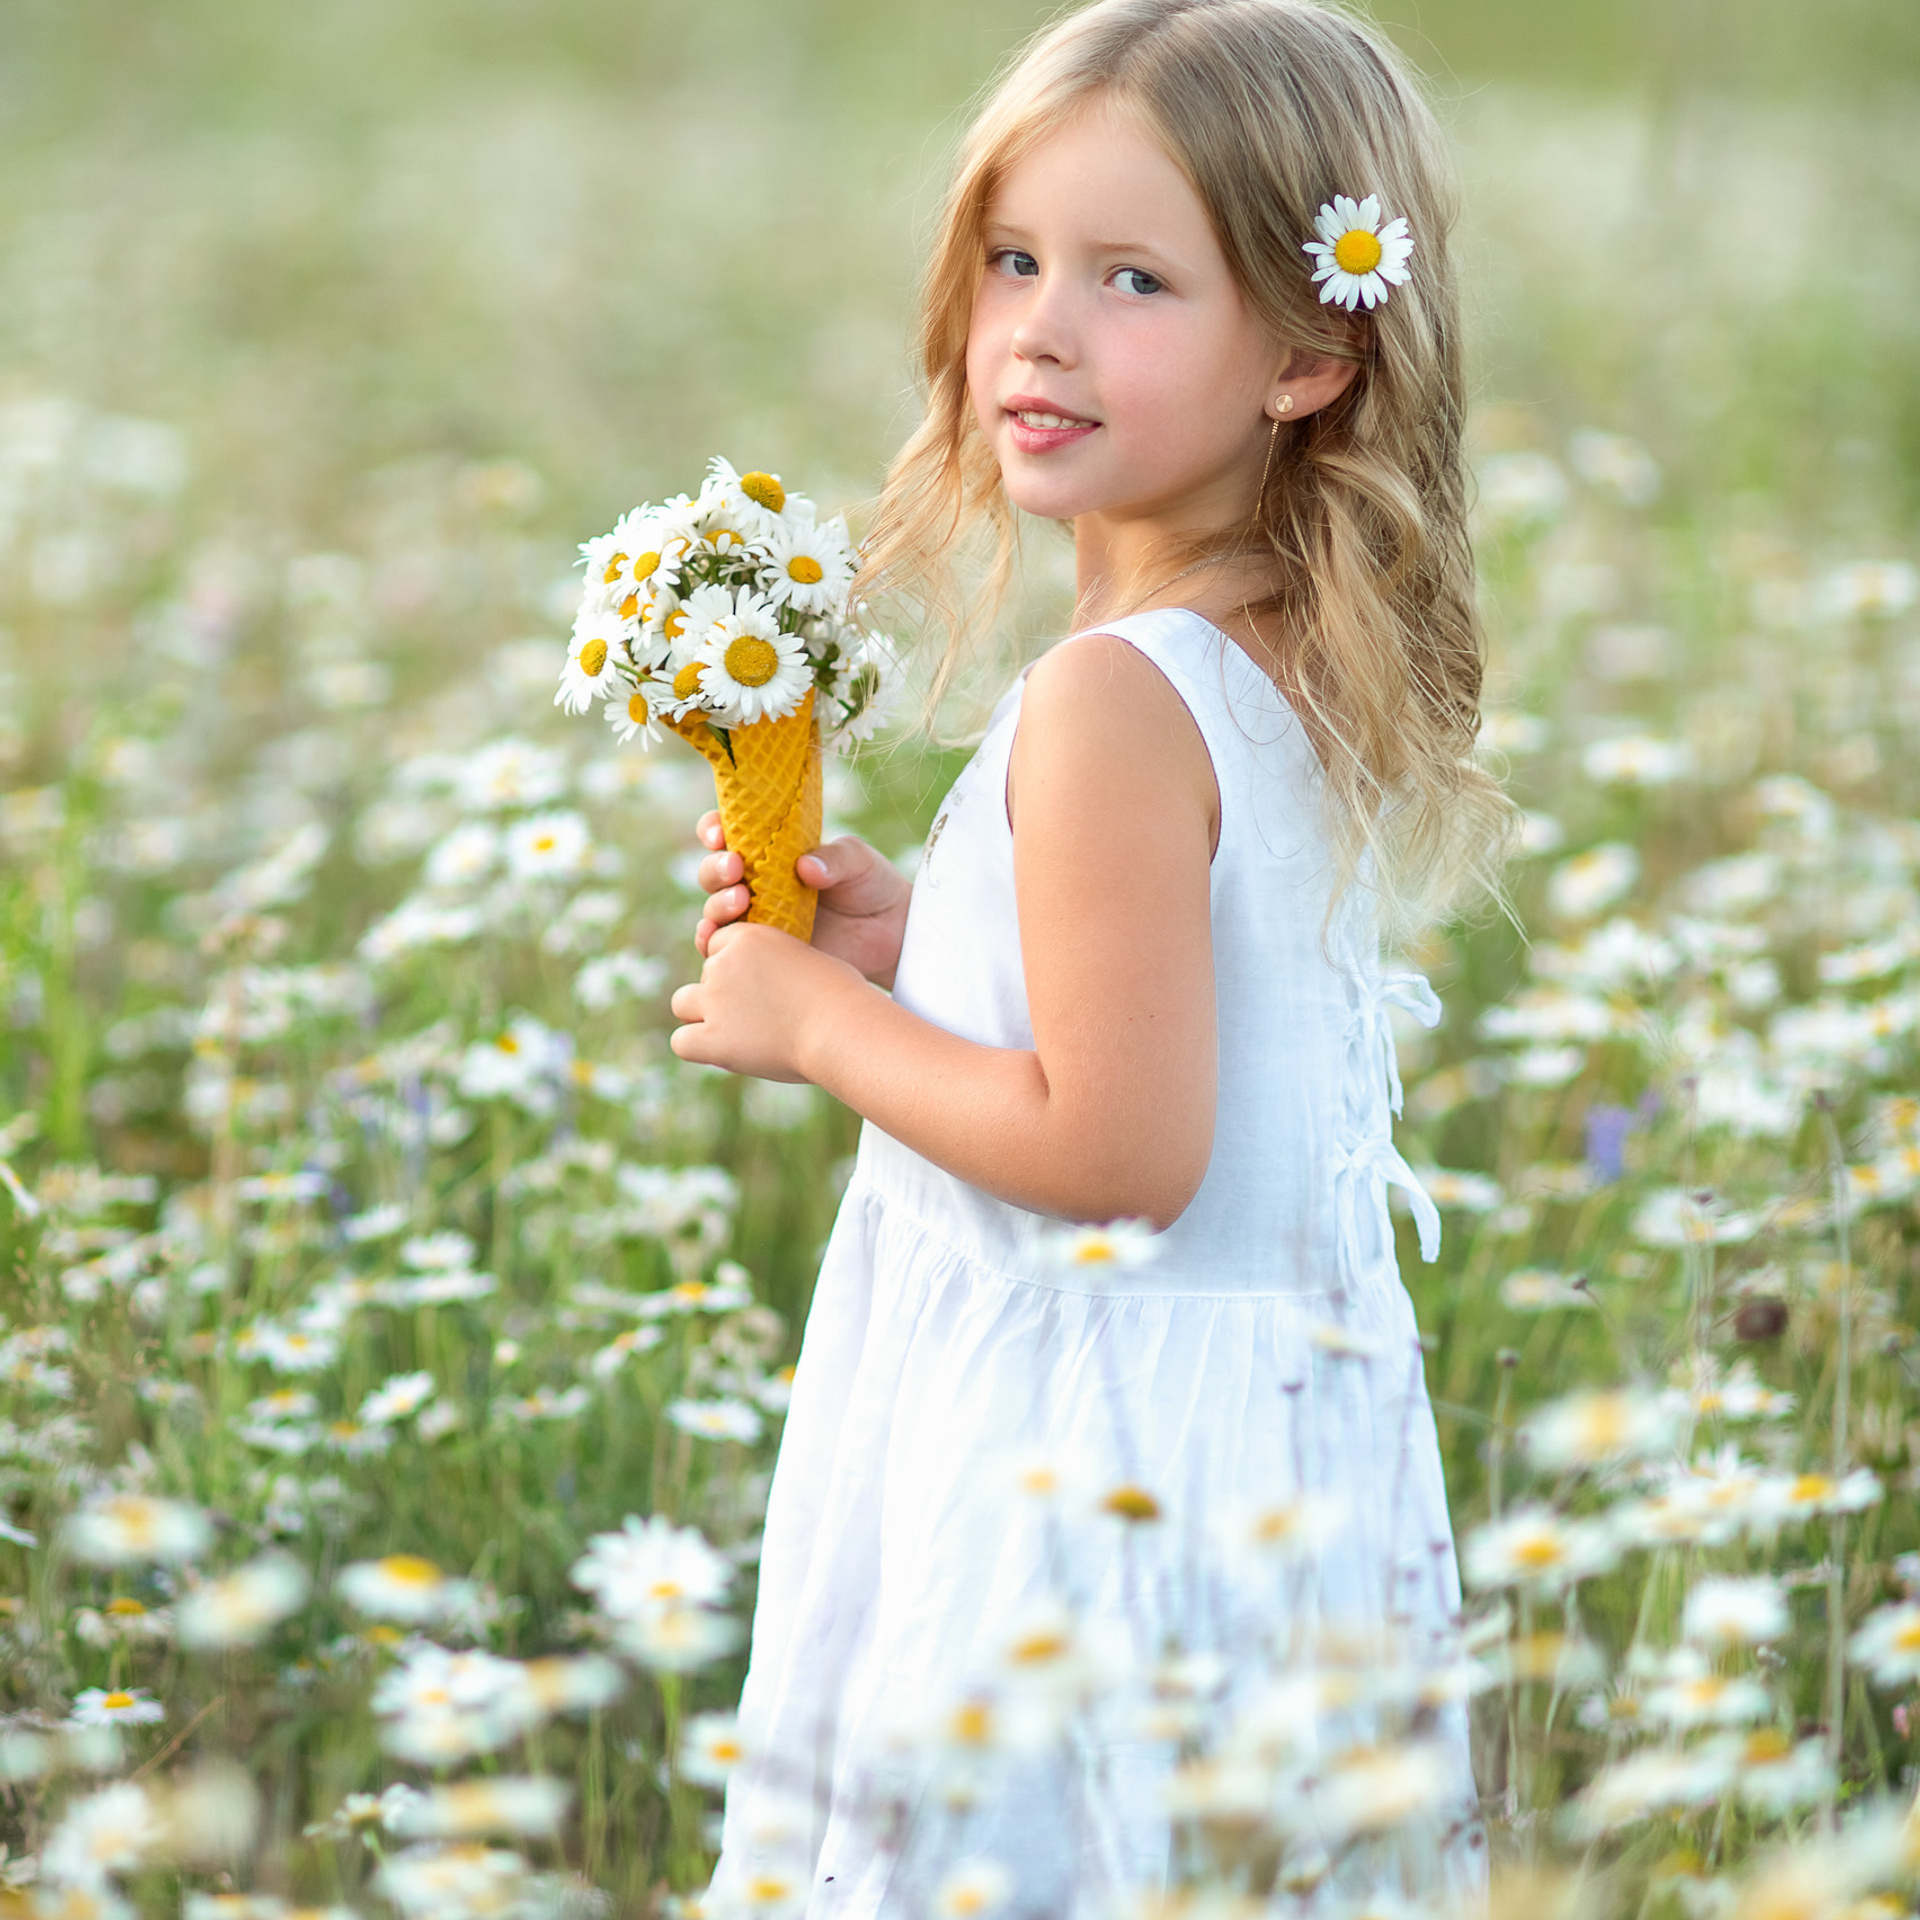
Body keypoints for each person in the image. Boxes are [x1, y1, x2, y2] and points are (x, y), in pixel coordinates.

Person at [669, 1, 1512, 1910]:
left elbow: (1120, 1155)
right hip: (1257, 1458)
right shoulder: (1271, 640)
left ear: (1310, 354)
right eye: (1015, 260)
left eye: (1137, 278)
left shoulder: (1113, 696)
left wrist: (812, 1023)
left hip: (1086, 1483)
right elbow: (1188, 997)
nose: (1042, 328)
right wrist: (930, 953)